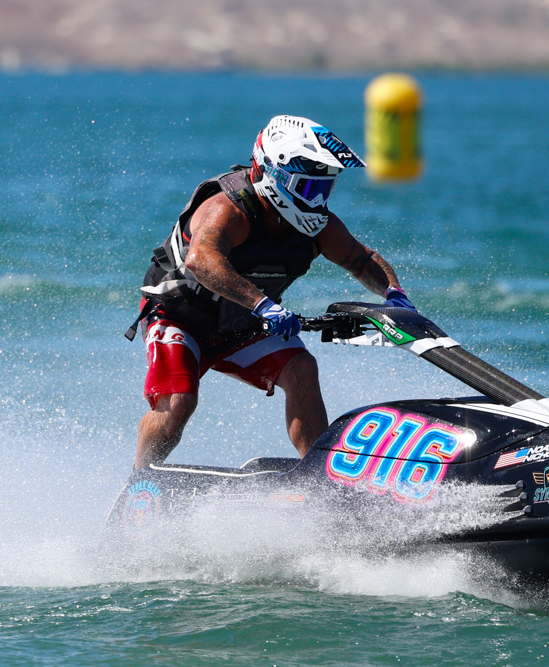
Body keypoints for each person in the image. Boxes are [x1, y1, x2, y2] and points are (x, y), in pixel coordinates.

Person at [127, 115, 415, 470]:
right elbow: (201, 260)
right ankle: (140, 484)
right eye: (309, 188)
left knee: (301, 368)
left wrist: (395, 296)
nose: (318, 200)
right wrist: (263, 305)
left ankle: (320, 483)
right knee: (178, 402)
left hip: (243, 322)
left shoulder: (318, 226)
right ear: (272, 173)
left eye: (324, 189)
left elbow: (362, 260)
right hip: (178, 316)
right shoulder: (228, 209)